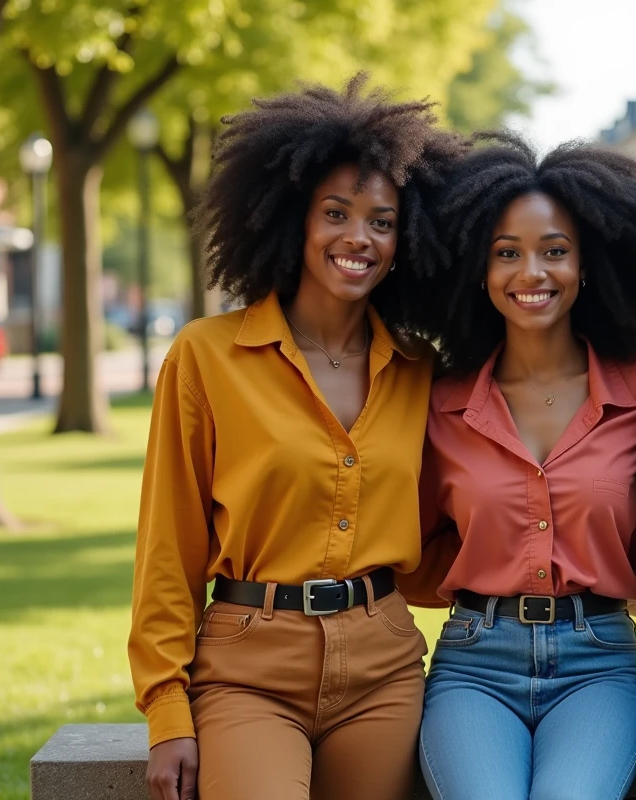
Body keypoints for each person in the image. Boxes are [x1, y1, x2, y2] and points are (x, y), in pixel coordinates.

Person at [128, 75, 468, 800]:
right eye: (335, 213)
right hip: (248, 670)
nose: (359, 238)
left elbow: (436, 540)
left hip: (384, 667)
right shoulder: (206, 356)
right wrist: (166, 710)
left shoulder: (418, 369)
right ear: (291, 221)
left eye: (381, 221)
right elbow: (168, 548)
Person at [402, 135, 636, 800]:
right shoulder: (442, 405)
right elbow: (414, 547)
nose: (531, 272)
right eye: (506, 253)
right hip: (473, 665)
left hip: (598, 664)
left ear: (587, 263)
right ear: (478, 271)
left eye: (554, 250)